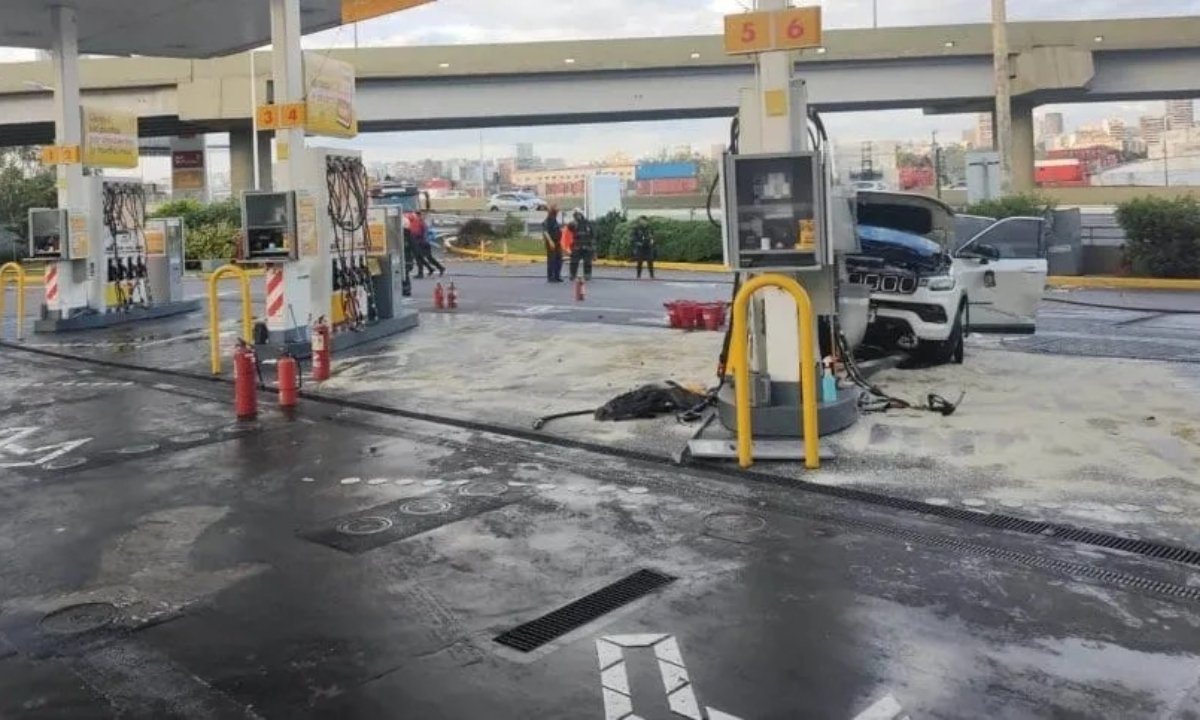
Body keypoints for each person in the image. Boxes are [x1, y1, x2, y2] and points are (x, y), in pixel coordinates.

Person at [413, 209, 445, 277]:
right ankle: (432, 269)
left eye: (416, 215)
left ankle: (437, 268)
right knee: (422, 257)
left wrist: (417, 238)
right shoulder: (421, 222)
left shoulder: (420, 223)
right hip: (422, 242)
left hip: (422, 242)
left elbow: (420, 233)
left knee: (422, 258)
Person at [569, 208, 594, 282]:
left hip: (586, 245)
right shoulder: (574, 224)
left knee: (587, 262)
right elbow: (569, 227)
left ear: (581, 214)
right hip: (577, 245)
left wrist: (592, 246)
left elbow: (592, 234)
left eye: (577, 214)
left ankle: (587, 275)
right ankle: (573, 275)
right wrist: (574, 223)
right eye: (575, 215)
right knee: (574, 261)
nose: (577, 216)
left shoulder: (587, 223)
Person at [542, 205, 564, 283]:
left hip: (557, 242)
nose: (558, 212)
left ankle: (557, 276)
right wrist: (550, 241)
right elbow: (545, 231)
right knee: (552, 259)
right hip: (551, 242)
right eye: (557, 211)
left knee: (559, 259)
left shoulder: (554, 220)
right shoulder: (549, 219)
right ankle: (551, 277)